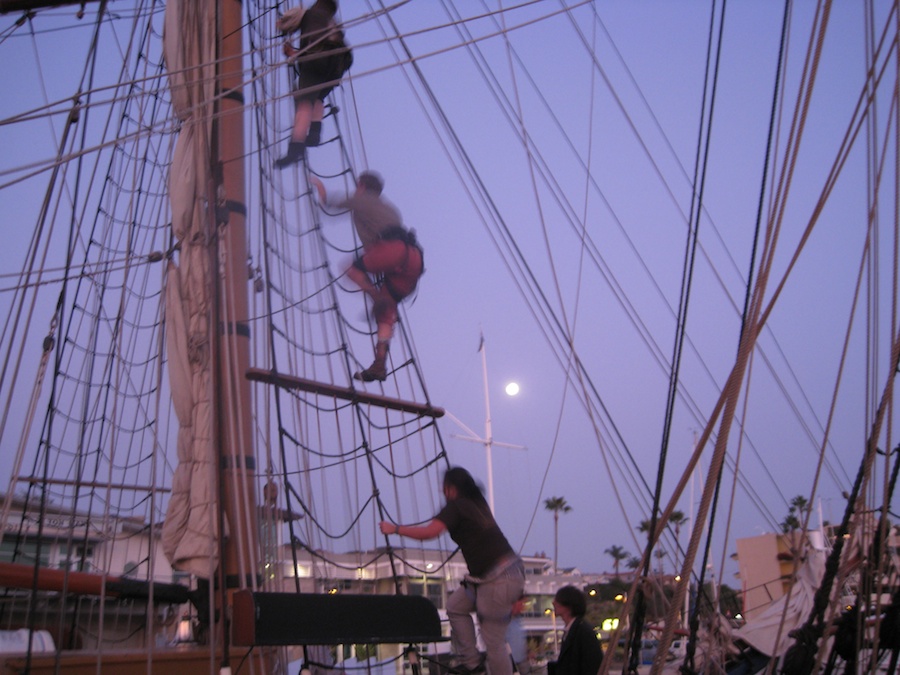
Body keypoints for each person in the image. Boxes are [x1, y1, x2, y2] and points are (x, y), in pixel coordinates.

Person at [379, 467, 525, 675]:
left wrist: (395, 529)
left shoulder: (456, 507)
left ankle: (480, 666)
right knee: (456, 606)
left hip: (496, 579)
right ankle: (473, 663)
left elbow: (430, 532)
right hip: (504, 574)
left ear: (449, 488)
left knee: (494, 641)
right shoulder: (478, 504)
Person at [313, 172, 424, 382]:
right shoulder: (391, 208)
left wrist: (320, 188)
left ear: (361, 185)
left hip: (393, 251)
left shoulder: (361, 199)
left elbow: (329, 204)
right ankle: (379, 364)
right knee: (386, 315)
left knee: (352, 270)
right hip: (414, 258)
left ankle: (376, 298)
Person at [275, 0, 352, 168]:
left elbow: (288, 23)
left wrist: (289, 48)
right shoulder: (330, 21)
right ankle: (315, 133)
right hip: (341, 61)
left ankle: (295, 150)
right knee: (318, 96)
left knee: (304, 102)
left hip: (318, 58)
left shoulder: (308, 14)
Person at [547, 586, 603, 675]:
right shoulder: (571, 630)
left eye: (558, 600)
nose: (553, 603)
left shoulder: (583, 632)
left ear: (568, 606)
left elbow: (592, 666)